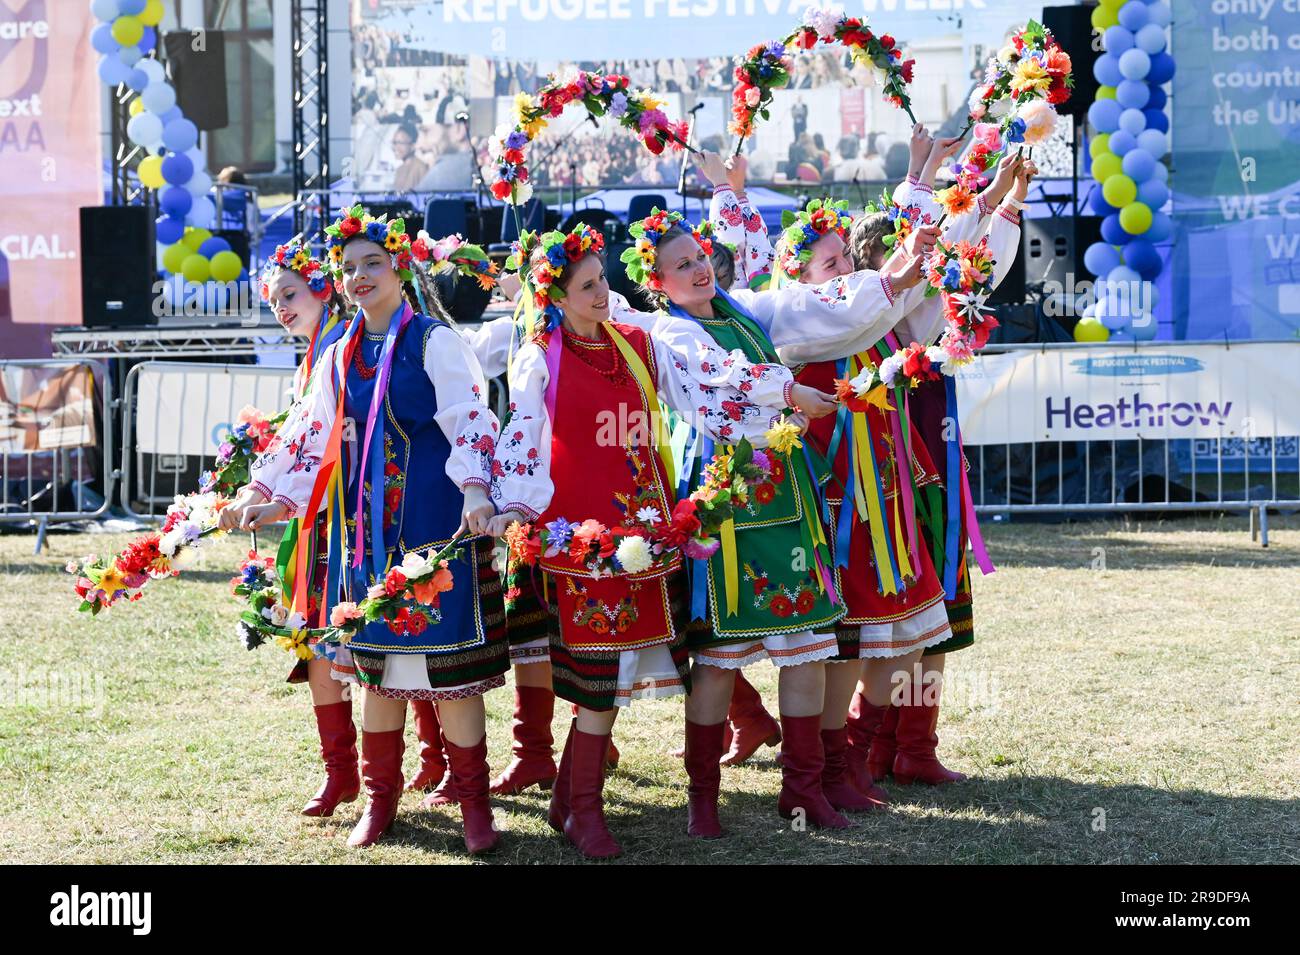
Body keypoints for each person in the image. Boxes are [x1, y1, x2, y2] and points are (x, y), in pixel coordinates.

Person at [487, 224, 807, 856]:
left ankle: (568, 804)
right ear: (555, 294)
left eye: (604, 278)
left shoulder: (638, 342)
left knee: (626, 668)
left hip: (645, 529)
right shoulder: (539, 354)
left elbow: (705, 388)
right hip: (580, 536)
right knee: (597, 677)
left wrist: (778, 403)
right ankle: (585, 813)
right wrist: (509, 509)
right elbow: (523, 435)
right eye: (588, 285)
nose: (603, 292)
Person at [620, 191, 924, 833]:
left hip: (785, 484)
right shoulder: (672, 331)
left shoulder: (744, 308)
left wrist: (900, 266)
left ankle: (804, 787)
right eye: (681, 266)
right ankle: (703, 797)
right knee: (721, 655)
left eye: (700, 256)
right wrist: (787, 388)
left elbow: (816, 307)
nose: (699, 269)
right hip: (726, 491)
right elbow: (719, 375)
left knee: (809, 644)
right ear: (658, 282)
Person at [240, 208, 509, 854]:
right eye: (349, 267)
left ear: (400, 268)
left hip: (438, 531)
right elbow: (309, 432)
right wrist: (267, 494)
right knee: (378, 676)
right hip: (370, 541)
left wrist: (476, 486)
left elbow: (472, 418)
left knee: (452, 679)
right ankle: (380, 801)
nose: (359, 276)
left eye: (372, 264)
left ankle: (476, 806)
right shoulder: (340, 354)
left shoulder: (434, 343)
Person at [845, 147, 1037, 790]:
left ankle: (913, 745)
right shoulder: (862, 311)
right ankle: (871, 746)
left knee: (940, 584)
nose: (928, 262)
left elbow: (974, 267)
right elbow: (951, 253)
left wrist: (1006, 202)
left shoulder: (926, 304)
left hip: (931, 442)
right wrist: (980, 200)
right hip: (881, 461)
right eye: (911, 250)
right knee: (894, 594)